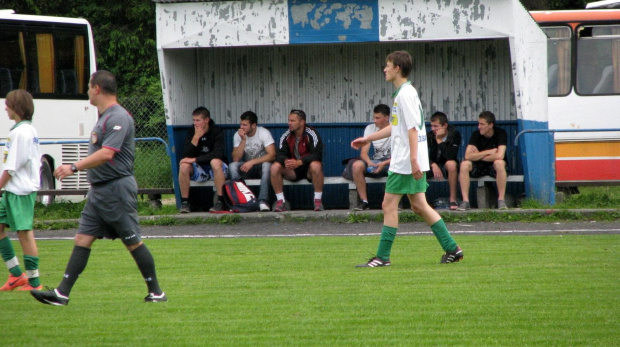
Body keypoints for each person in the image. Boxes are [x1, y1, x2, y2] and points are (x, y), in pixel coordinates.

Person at [30, 70, 166, 305]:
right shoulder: (104, 116)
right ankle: (62, 294)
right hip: (99, 191)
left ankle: (156, 292)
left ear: (97, 89)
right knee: (82, 239)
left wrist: (74, 166)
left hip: (116, 190)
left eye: (89, 87)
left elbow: (107, 153)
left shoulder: (118, 117)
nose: (87, 92)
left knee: (132, 241)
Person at [352, 50, 463, 267]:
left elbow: (412, 129)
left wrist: (412, 160)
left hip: (405, 161)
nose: (384, 69)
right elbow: (397, 128)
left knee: (388, 205)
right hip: (411, 159)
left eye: (388, 65)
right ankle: (453, 249)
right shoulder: (404, 93)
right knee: (420, 206)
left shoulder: (405, 94)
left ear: (397, 68)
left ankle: (383, 257)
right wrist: (368, 139)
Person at [0, 90, 42, 291]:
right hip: (12, 190)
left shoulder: (22, 132)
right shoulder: (23, 130)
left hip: (20, 191)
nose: (5, 108)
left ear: (16, 107)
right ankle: (16, 274)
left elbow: (12, 167)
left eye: (8, 104)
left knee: (25, 233)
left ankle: (35, 282)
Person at [271, 109, 324, 212]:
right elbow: (279, 154)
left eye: (292, 121)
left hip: (308, 170)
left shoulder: (311, 134)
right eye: (289, 120)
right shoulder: (286, 135)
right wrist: (285, 161)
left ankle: (318, 201)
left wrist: (300, 162)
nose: (289, 123)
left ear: (302, 122)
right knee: (274, 167)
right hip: (292, 170)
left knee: (316, 165)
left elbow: (317, 154)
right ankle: (281, 202)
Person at [177, 107, 228, 213]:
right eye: (194, 120)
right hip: (200, 169)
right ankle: (185, 203)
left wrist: (195, 159)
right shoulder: (192, 132)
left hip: (217, 169)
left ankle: (220, 201)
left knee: (215, 162)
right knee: (184, 166)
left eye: (198, 120)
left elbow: (217, 154)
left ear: (206, 120)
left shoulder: (216, 131)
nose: (195, 123)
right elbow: (186, 156)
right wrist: (196, 138)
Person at [457, 111, 508, 210]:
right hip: (479, 166)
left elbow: (500, 155)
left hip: (493, 167)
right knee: (464, 164)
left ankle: (501, 200)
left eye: (482, 124)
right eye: (478, 124)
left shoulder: (500, 133)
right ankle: (465, 201)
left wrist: (477, 155)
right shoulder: (476, 134)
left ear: (490, 125)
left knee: (499, 163)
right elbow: (467, 156)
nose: (479, 126)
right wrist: (488, 152)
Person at [346, 104, 391, 211]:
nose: (375, 120)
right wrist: (369, 162)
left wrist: (384, 163)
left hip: (391, 162)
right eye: (374, 117)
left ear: (387, 117)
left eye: (378, 118)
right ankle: (364, 202)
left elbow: (401, 156)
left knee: (399, 166)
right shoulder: (370, 128)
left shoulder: (396, 129)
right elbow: (364, 153)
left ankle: (394, 203)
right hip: (375, 161)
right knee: (357, 165)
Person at [230, 111, 276, 212]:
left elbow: (272, 155)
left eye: (245, 125)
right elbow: (236, 159)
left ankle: (263, 201)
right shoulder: (238, 135)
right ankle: (240, 200)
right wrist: (243, 140)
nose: (242, 127)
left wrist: (252, 162)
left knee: (267, 165)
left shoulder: (263, 132)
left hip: (260, 167)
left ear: (254, 125)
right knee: (233, 166)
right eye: (241, 124)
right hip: (247, 168)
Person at [427, 111, 462, 210]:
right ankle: (422, 202)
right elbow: (422, 154)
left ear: (445, 125)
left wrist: (439, 140)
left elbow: (450, 156)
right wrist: (433, 164)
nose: (433, 129)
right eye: (431, 126)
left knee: (451, 164)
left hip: (447, 165)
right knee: (417, 167)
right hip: (433, 165)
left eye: (436, 126)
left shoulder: (454, 135)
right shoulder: (429, 135)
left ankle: (452, 199)